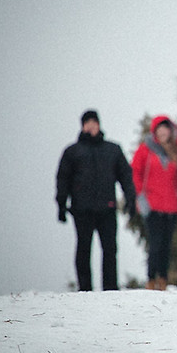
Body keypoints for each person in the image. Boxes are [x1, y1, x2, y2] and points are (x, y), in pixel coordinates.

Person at [56, 110, 136, 292]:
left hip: (107, 208)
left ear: (99, 125)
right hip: (82, 210)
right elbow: (63, 179)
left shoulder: (112, 150)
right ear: (82, 126)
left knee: (110, 249)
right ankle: (85, 288)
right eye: (88, 123)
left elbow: (125, 176)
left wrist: (130, 199)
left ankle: (110, 288)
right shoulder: (72, 152)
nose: (91, 126)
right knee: (84, 249)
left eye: (94, 122)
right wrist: (61, 204)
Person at [131, 115, 177, 290]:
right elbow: (135, 172)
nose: (163, 133)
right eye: (160, 129)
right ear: (155, 132)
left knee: (166, 244)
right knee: (155, 243)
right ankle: (151, 279)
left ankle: (163, 279)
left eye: (166, 129)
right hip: (152, 205)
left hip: (172, 206)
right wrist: (140, 196)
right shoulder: (145, 150)